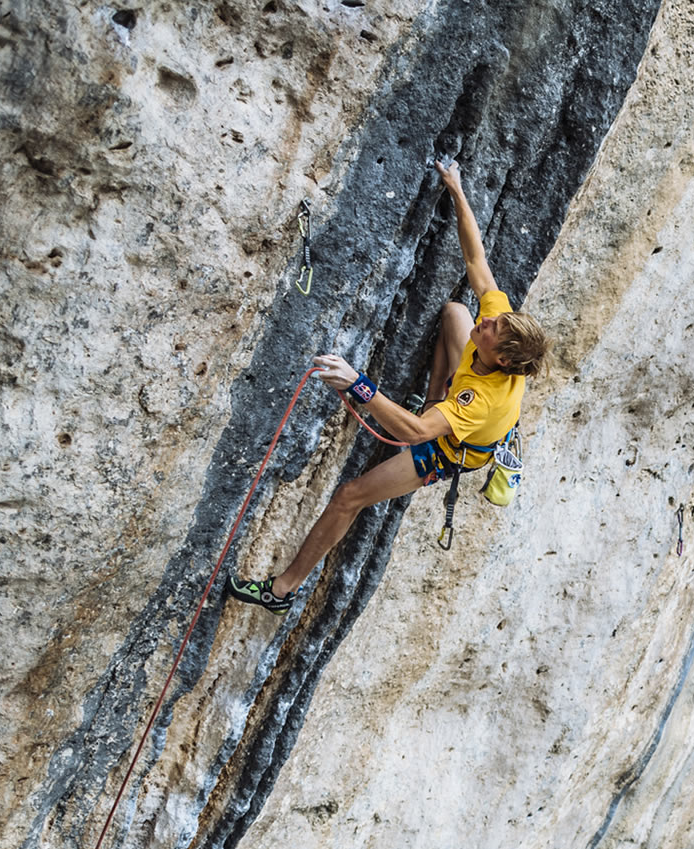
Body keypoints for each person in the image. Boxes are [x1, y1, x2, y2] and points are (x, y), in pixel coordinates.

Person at [227, 159, 551, 614]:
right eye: (496, 318)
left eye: (495, 327)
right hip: (456, 407)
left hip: (450, 449)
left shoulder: (479, 399)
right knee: (457, 312)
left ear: (503, 358)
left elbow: (417, 434)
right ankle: (435, 396)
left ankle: (282, 590)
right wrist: (456, 189)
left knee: (349, 496)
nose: (491, 318)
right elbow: (477, 260)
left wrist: (358, 384)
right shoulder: (497, 339)